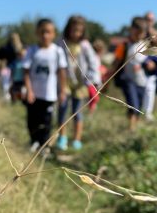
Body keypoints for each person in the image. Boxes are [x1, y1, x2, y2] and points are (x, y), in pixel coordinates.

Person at [56, 15, 101, 150]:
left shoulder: (85, 45)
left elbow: (94, 63)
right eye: (73, 30)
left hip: (81, 84)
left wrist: (94, 79)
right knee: (62, 110)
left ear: (83, 31)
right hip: (64, 82)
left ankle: (77, 139)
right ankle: (62, 137)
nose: (76, 33)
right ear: (68, 29)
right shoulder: (61, 43)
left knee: (77, 112)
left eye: (79, 31)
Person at [23, 18, 67, 154]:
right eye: (42, 32)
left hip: (49, 94)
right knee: (32, 120)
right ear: (37, 33)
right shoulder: (32, 50)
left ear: (53, 34)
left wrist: (62, 91)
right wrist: (29, 90)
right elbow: (26, 72)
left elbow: (61, 72)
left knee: (47, 122)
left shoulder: (58, 51)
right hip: (34, 94)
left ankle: (44, 146)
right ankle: (34, 141)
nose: (45, 35)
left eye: (48, 32)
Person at [112, 17, 153, 131]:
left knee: (139, 106)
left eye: (141, 33)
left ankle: (135, 124)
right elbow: (116, 62)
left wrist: (150, 64)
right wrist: (108, 77)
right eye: (137, 33)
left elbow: (149, 59)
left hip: (142, 81)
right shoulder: (124, 46)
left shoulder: (145, 45)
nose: (139, 36)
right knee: (132, 104)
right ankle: (131, 128)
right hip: (128, 80)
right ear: (131, 30)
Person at [143, 11, 157, 121]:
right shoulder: (140, 33)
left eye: (151, 20)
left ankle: (148, 112)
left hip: (152, 65)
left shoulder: (156, 33)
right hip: (140, 64)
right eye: (147, 19)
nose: (149, 22)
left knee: (150, 89)